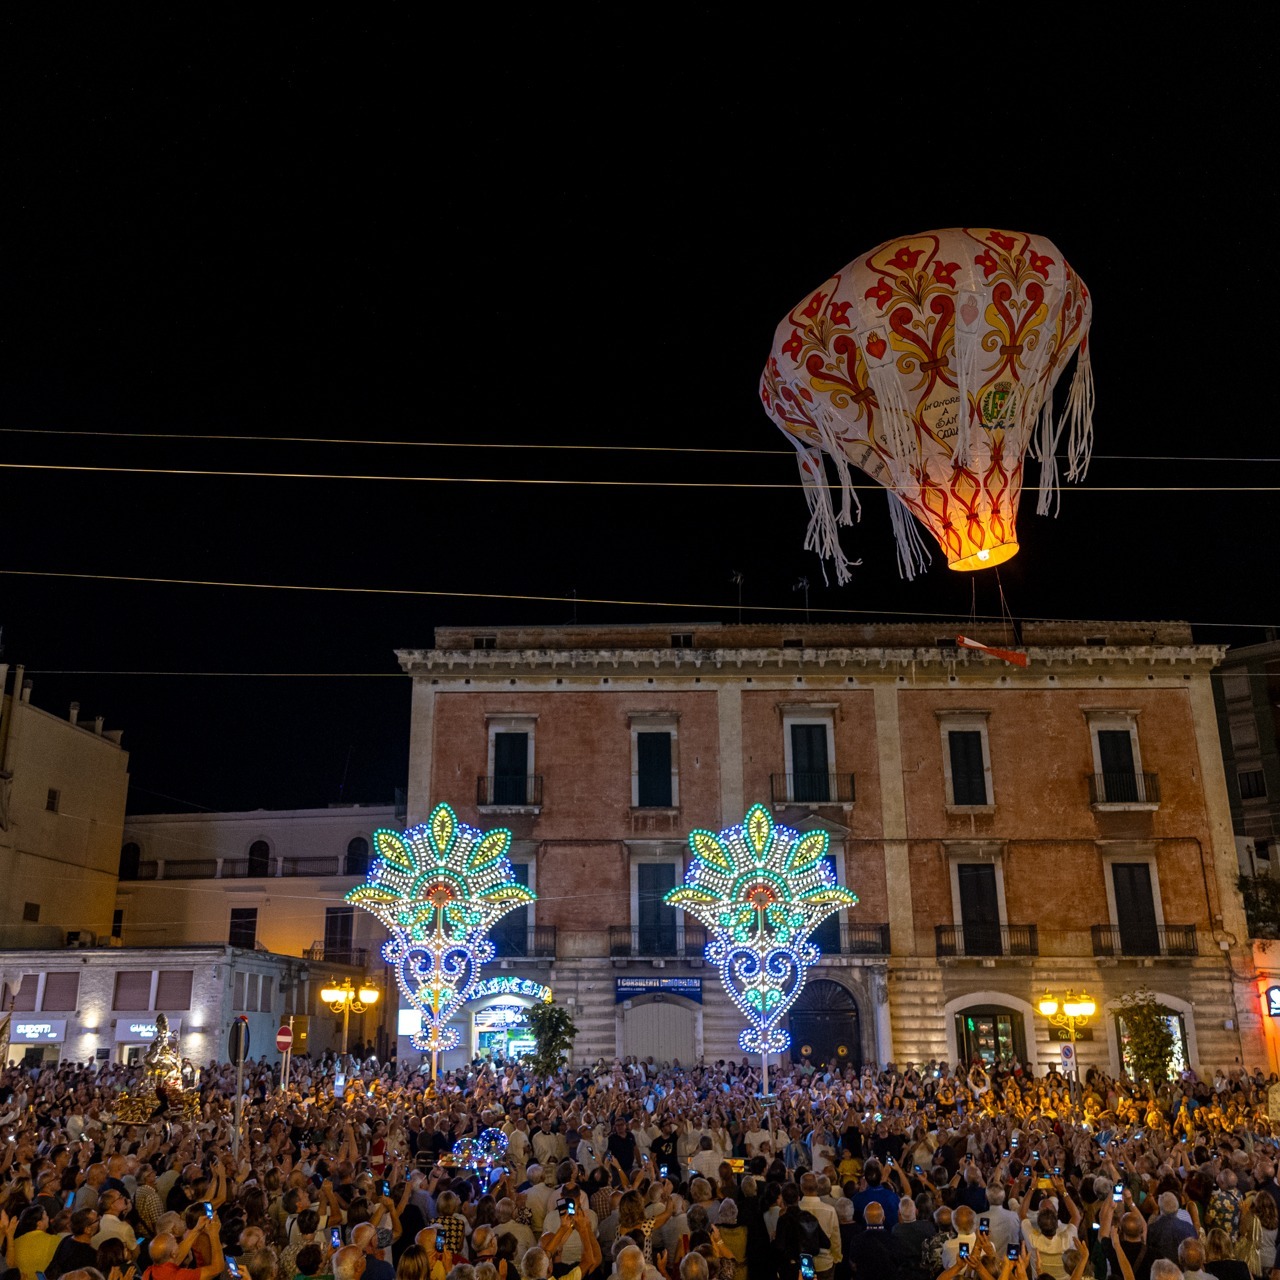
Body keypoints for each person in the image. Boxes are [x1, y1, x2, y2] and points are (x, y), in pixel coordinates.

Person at [45, 1210, 99, 1280]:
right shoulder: (90, 1255)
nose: (99, 1221)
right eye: (97, 1220)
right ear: (87, 1229)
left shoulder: (66, 1240)